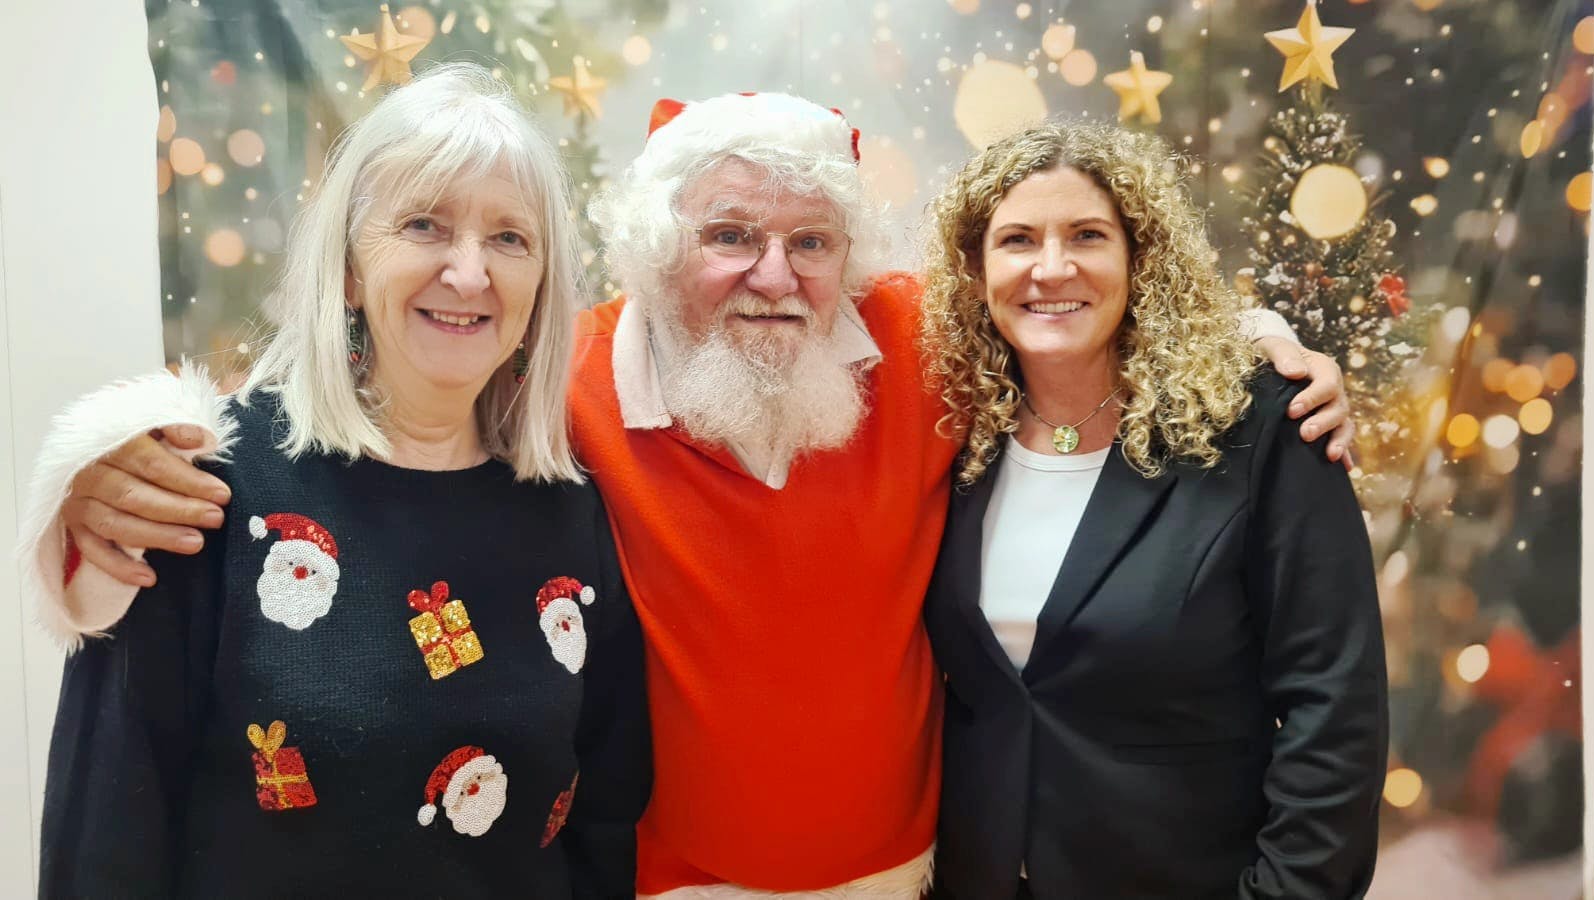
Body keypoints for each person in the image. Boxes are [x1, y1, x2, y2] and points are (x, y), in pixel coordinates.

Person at [23, 92, 1353, 897]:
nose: (775, 274)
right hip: (659, 888)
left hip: (902, 883)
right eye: (729, 237)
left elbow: (1066, 303)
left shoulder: (920, 347)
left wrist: (1266, 340)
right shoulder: (566, 387)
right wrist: (113, 453)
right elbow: (344, 402)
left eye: (811, 241)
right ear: (660, 253)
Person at [26, 64, 648, 899]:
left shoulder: (569, 509)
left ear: (541, 289)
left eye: (509, 238)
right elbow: (105, 828)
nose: (469, 274)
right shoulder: (204, 487)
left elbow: (601, 823)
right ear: (350, 271)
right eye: (425, 225)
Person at [918, 121, 1388, 899]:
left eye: (1089, 235)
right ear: (974, 271)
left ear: (1141, 260)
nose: (1052, 267)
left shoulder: (1262, 425)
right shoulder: (949, 430)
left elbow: (1334, 707)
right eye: (1018, 240)